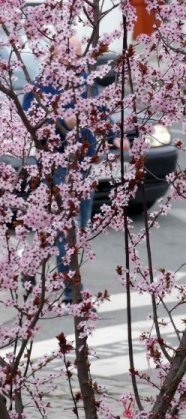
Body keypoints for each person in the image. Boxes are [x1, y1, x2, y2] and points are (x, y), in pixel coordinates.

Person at [22, 37, 98, 304]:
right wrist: (61, 124)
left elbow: (98, 109)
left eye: (78, 50)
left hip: (85, 163)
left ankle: (28, 268)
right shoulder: (44, 82)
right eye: (69, 50)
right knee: (66, 229)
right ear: (55, 53)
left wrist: (111, 137)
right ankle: (71, 292)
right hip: (59, 166)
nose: (75, 55)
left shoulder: (86, 78)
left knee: (79, 226)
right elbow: (30, 116)